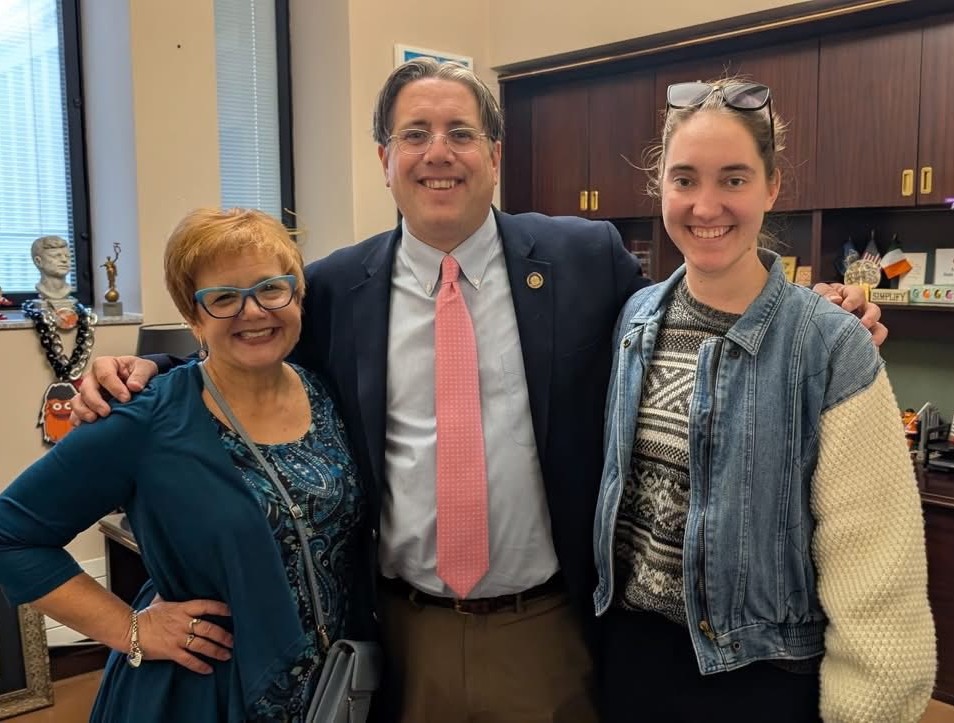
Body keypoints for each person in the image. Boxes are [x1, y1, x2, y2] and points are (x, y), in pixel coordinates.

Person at [71, 61, 886, 722]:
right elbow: (253, 353)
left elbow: (691, 316)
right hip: (400, 634)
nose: (440, 152)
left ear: (495, 155)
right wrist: (148, 373)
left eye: (461, 132)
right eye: (414, 134)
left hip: (548, 632)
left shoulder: (584, 258)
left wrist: (816, 312)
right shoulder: (336, 288)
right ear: (383, 159)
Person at [593, 80, 936, 723]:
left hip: (761, 680)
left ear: (772, 187)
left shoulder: (831, 344)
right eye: (685, 179)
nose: (706, 205)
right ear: (660, 187)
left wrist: (870, 709)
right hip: (631, 662)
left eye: (734, 179)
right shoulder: (635, 321)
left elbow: (875, 566)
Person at [0, 208, 370, 722]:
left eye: (271, 288)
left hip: (336, 688)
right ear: (193, 317)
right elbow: (11, 534)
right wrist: (130, 629)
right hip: (204, 693)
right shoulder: (144, 418)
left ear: (297, 295)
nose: (253, 312)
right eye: (223, 298)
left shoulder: (327, 391)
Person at [31, 234, 73, 301]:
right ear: (38, 261)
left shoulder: (69, 289)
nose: (64, 260)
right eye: (56, 256)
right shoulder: (41, 289)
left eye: (67, 256)